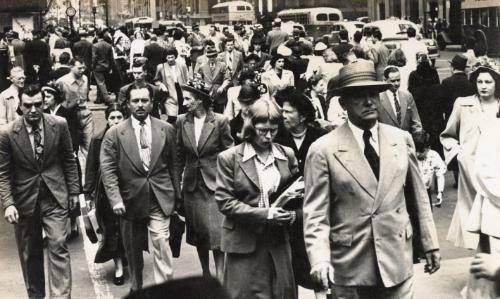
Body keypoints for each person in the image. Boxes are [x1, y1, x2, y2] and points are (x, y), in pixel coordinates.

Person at [303, 61, 440, 298]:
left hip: (397, 258)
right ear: (343, 103)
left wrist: (430, 243)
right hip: (349, 264)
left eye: (373, 94)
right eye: (359, 95)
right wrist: (319, 259)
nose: (369, 101)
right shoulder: (323, 149)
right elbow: (315, 213)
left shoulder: (400, 139)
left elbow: (418, 197)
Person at [0, 84, 80, 299]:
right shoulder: (7, 134)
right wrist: (8, 203)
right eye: (28, 106)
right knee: (30, 253)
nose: (34, 110)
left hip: (54, 197)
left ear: (44, 102)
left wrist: (74, 192)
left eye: (38, 104)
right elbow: (3, 172)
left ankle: (61, 297)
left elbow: (68, 160)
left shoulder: (59, 124)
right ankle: (36, 296)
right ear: (20, 105)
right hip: (25, 201)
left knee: (58, 246)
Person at [100, 84, 182, 292]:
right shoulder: (115, 134)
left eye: (144, 100)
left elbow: (174, 165)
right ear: (128, 104)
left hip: (159, 196)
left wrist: (176, 197)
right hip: (129, 201)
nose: (140, 105)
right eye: (135, 101)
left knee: (162, 244)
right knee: (133, 250)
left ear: (152, 103)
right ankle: (137, 289)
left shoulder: (166, 129)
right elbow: (108, 170)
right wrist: (115, 199)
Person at [215, 99, 299, 299]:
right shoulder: (230, 158)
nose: (268, 136)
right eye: (263, 130)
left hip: (278, 241)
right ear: (251, 126)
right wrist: (266, 214)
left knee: (282, 293)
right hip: (244, 242)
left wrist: (293, 215)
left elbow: (300, 197)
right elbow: (225, 201)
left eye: (274, 130)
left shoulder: (286, 155)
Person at [176, 79, 233, 281]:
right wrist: (177, 187)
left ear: (200, 100)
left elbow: (229, 154)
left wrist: (229, 184)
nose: (184, 103)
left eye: (188, 99)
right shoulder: (182, 120)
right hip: (192, 186)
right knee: (199, 234)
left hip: (215, 185)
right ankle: (205, 273)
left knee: (216, 235)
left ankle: (221, 278)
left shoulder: (220, 121)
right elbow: (178, 155)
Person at [441, 62, 500, 250]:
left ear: (496, 83)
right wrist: (459, 155)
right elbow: (447, 135)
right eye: (479, 81)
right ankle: (484, 264)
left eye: (488, 82)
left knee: (494, 217)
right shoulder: (463, 104)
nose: (483, 86)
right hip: (470, 171)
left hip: (495, 172)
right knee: (475, 220)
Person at [84, 104, 127, 286]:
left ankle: (127, 257)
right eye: (112, 118)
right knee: (112, 229)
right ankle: (118, 265)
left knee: (128, 228)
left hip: (129, 190)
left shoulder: (130, 136)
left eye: (119, 117)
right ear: (107, 119)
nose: (116, 121)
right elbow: (91, 167)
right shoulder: (98, 139)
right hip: (106, 192)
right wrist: (88, 194)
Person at [439, 54, 475, 187]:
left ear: (452, 66)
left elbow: (441, 103)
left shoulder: (446, 82)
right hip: (469, 120)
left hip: (451, 119)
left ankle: (457, 179)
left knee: (454, 147)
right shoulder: (470, 83)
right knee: (467, 147)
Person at [408, 53, 441, 153]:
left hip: (420, 108)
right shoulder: (433, 72)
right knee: (435, 134)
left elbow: (410, 90)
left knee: (422, 132)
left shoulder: (413, 74)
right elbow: (438, 86)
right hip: (434, 108)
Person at [376, 66, 422, 136]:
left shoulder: (407, 96)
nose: (397, 83)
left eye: (398, 80)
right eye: (393, 81)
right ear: (385, 80)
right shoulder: (378, 99)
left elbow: (416, 121)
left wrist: (418, 137)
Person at [154, 47, 189, 122]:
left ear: (175, 56)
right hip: (169, 92)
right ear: (165, 57)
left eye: (172, 57)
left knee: (183, 113)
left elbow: (187, 78)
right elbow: (156, 80)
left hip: (181, 90)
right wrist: (162, 85)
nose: (170, 59)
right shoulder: (161, 67)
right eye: (168, 57)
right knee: (172, 116)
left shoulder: (182, 65)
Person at [413, 131, 446, 207]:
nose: (418, 154)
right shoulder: (410, 155)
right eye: (416, 150)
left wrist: (440, 192)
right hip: (412, 192)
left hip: (426, 191)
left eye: (421, 151)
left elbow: (440, 174)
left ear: (428, 148)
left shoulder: (433, 155)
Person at [196, 48, 231, 113]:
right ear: (207, 57)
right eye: (209, 56)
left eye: (213, 56)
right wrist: (203, 85)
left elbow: (227, 78)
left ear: (216, 56)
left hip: (219, 94)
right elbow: (198, 78)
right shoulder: (202, 66)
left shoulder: (222, 65)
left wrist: (222, 87)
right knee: (208, 113)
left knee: (219, 113)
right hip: (207, 94)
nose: (211, 58)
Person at [92, 29, 116, 104]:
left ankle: (107, 99)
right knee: (101, 83)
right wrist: (111, 67)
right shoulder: (109, 45)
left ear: (97, 36)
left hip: (98, 67)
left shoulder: (95, 46)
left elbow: (94, 58)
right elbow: (111, 58)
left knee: (100, 83)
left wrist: (92, 66)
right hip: (106, 66)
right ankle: (99, 98)